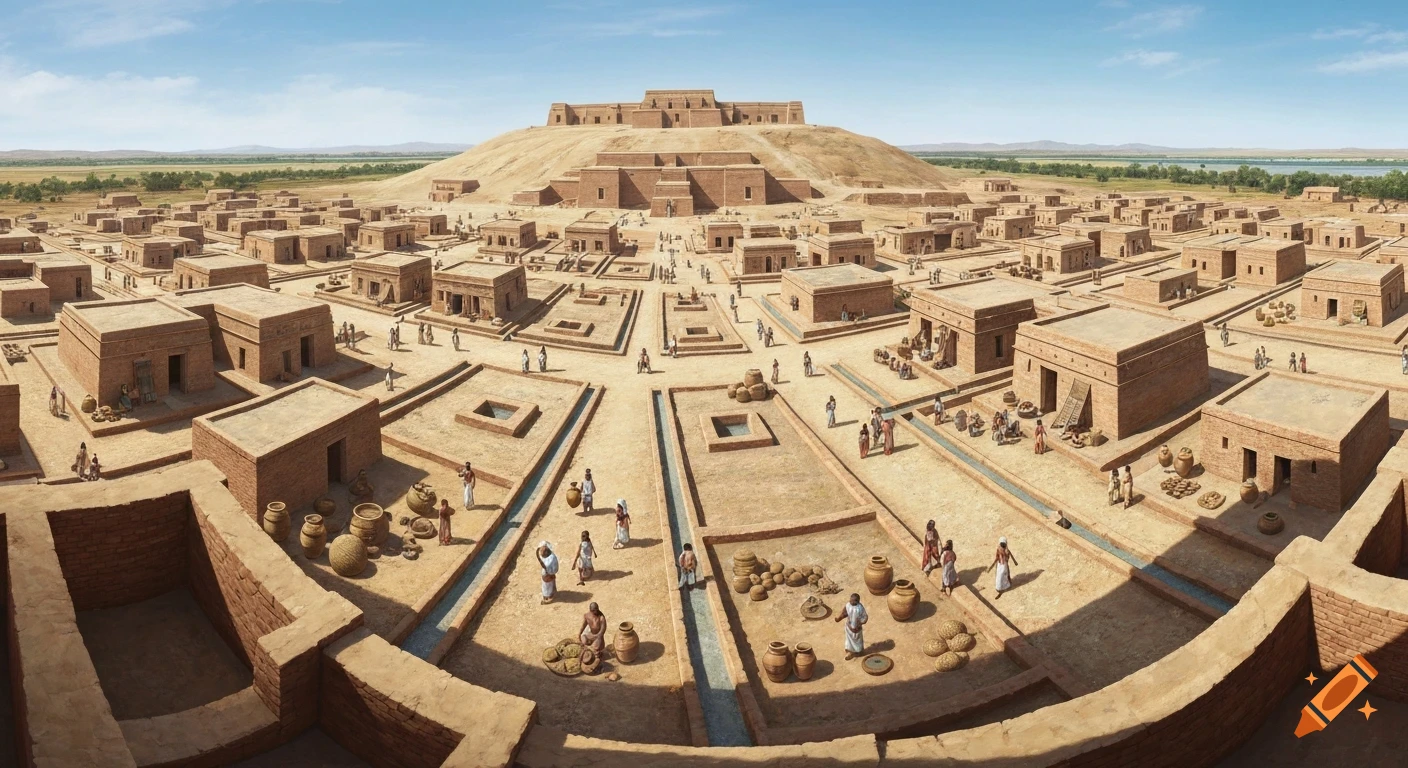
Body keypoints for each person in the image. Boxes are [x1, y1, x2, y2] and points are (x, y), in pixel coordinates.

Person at [834, 593, 869, 660]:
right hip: (849, 627)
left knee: (857, 641)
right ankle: (850, 652)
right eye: (851, 600)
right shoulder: (847, 605)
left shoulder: (860, 607)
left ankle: (858, 652)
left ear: (857, 601)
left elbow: (865, 616)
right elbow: (844, 613)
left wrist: (862, 622)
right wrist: (839, 618)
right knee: (849, 641)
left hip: (857, 628)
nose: (851, 601)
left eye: (853, 600)